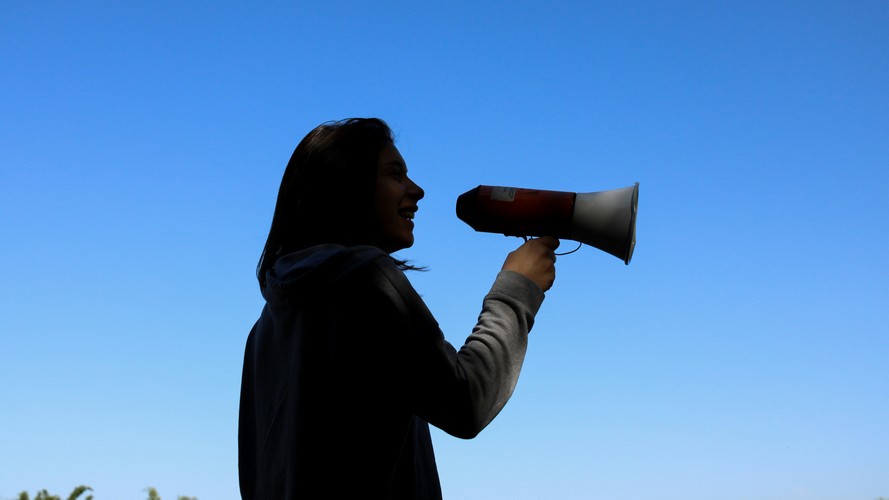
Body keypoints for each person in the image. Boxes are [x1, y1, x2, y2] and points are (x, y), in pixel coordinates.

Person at [238, 118, 559, 499]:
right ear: (346, 185)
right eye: (395, 174)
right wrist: (517, 288)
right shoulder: (366, 278)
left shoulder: (263, 332)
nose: (417, 190)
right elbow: (467, 401)